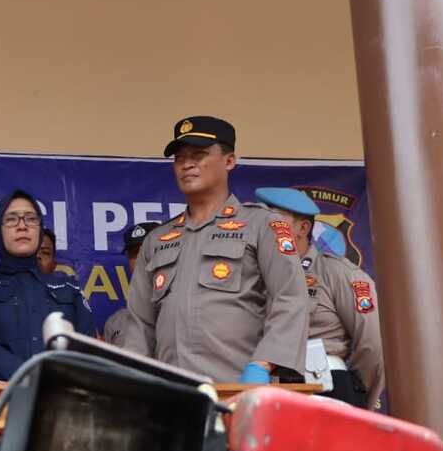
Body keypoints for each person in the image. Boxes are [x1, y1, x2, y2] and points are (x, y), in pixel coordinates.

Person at [122, 116, 309, 383]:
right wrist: (133, 379)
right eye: (179, 158)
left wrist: (264, 364)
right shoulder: (157, 239)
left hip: (238, 387)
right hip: (172, 394)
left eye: (199, 155)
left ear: (229, 161)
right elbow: (140, 322)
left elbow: (290, 298)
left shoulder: (262, 225)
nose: (187, 164)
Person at [254, 188, 385, 408]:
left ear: (303, 228)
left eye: (276, 222)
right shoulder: (254, 275)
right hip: (265, 393)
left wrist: (357, 397)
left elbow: (372, 346)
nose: (267, 229)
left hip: (325, 387)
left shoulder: (338, 273)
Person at [0, 190, 97, 380]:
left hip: (57, 396)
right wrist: (32, 376)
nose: (22, 226)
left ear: (40, 229)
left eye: (31, 219)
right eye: (12, 219)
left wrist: (54, 378)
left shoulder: (69, 288)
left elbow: (85, 345)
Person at [103, 221, 160, 346]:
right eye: (134, 253)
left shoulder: (185, 312)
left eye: (147, 250)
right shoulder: (115, 323)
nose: (141, 258)